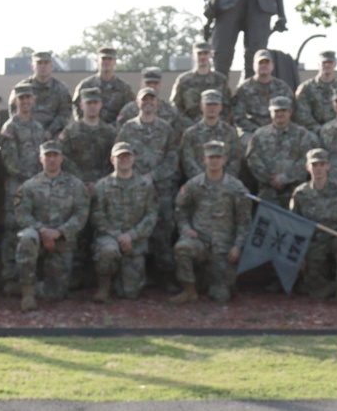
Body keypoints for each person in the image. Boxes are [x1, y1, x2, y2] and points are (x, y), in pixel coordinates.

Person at [170, 140, 252, 304]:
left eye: (217, 157)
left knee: (220, 296)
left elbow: (244, 221)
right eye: (210, 157)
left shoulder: (236, 187)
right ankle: (189, 291)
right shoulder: (193, 184)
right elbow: (180, 210)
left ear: (224, 160)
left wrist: (237, 246)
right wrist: (186, 229)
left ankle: (210, 282)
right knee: (182, 248)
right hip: (199, 240)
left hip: (223, 247)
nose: (214, 161)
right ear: (204, 160)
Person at [115, 87, 180, 291]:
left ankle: (165, 277)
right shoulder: (127, 128)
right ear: (137, 103)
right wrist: (134, 177)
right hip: (133, 191)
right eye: (144, 100)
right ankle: (136, 276)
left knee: (163, 233)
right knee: (135, 231)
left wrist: (153, 176)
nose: (148, 103)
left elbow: (172, 157)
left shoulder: (166, 129)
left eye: (152, 99)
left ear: (157, 103)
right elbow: (120, 155)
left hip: (161, 189)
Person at [14, 141, 90, 311]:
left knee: (56, 294)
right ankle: (27, 293)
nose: (52, 159)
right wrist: (42, 230)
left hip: (63, 240)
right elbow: (22, 214)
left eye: (55, 156)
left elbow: (81, 214)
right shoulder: (29, 186)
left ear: (62, 158)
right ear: (41, 159)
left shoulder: (76, 185)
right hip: (37, 237)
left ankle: (31, 287)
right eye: (48, 156)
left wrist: (59, 232)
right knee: (27, 237)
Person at [57, 87, 117, 289]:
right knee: (77, 232)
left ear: (100, 105)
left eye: (95, 102)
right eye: (88, 103)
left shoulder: (110, 132)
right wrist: (82, 181)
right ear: (81, 105)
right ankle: (76, 275)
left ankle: (100, 276)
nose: (92, 106)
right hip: (77, 188)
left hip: (103, 188)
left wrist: (98, 183)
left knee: (101, 228)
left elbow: (115, 161)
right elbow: (62, 158)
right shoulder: (71, 131)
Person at [289, 149, 337, 304]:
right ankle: (327, 285)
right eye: (314, 165)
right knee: (317, 293)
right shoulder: (300, 193)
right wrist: (298, 253)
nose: (318, 169)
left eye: (322, 164)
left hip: (335, 239)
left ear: (328, 166)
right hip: (313, 244)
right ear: (308, 167)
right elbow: (293, 225)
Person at [91, 142, 159, 303]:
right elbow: (97, 215)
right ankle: (104, 287)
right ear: (112, 160)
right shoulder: (102, 185)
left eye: (127, 156)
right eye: (120, 157)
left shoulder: (145, 185)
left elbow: (151, 215)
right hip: (109, 238)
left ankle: (122, 279)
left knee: (130, 293)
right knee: (108, 251)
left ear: (134, 158)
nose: (124, 160)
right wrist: (117, 236)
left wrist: (132, 235)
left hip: (135, 241)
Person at [0, 82, 48, 295]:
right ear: (16, 101)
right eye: (21, 98)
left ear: (33, 100)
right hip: (16, 187)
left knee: (35, 229)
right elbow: (10, 161)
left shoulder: (38, 128)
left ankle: (31, 277)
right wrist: (29, 181)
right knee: (12, 231)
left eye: (29, 98)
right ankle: (10, 278)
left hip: (36, 187)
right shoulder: (10, 127)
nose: (26, 102)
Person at [246, 96, 319, 205]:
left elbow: (305, 160)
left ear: (290, 112)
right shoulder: (259, 135)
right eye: (276, 111)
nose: (280, 114)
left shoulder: (302, 134)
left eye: (283, 110)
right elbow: (253, 159)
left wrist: (285, 178)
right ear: (270, 112)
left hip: (294, 191)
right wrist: (270, 179)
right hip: (268, 191)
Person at [232, 48, 295, 146]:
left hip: (279, 128)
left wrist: (276, 128)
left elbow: (291, 111)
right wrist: (258, 130)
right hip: (251, 131)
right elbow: (238, 117)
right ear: (254, 66)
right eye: (260, 63)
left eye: (267, 62)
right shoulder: (244, 88)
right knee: (246, 144)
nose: (264, 65)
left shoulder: (282, 87)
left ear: (272, 66)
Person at [180, 89, 243, 180]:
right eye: (208, 105)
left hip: (226, 182)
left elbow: (235, 159)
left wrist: (225, 179)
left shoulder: (230, 132)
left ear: (220, 107)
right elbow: (188, 161)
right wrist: (203, 179)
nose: (212, 108)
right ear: (202, 107)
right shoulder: (190, 133)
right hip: (198, 182)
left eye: (215, 105)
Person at [169, 41, 233, 128]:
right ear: (193, 56)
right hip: (189, 128)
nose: (202, 57)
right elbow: (176, 106)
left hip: (216, 128)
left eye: (206, 53)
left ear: (211, 55)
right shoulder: (184, 80)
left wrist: (214, 122)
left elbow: (228, 106)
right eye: (199, 54)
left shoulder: (220, 80)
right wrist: (190, 125)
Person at [117, 67, 185, 145]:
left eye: (155, 83)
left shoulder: (171, 112)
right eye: (148, 83)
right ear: (141, 84)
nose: (152, 86)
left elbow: (176, 142)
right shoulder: (128, 111)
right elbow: (120, 141)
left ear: (161, 85)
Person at [13, 51, 72, 139]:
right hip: (27, 133)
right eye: (39, 63)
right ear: (32, 66)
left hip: (53, 134)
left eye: (46, 63)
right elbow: (14, 112)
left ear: (52, 66)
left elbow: (65, 114)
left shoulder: (61, 89)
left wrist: (50, 131)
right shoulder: (22, 88)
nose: (43, 66)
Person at [71, 47, 135, 125]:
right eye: (104, 59)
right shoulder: (86, 85)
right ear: (97, 61)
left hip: (114, 131)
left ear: (114, 62)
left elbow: (129, 110)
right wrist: (84, 124)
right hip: (90, 130)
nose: (106, 62)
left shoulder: (124, 88)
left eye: (110, 59)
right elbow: (76, 106)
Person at [294, 50, 337, 135]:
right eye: (324, 62)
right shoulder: (306, 88)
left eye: (330, 62)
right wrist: (320, 130)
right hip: (312, 133)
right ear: (318, 64)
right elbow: (303, 115)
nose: (327, 65)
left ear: (335, 65)